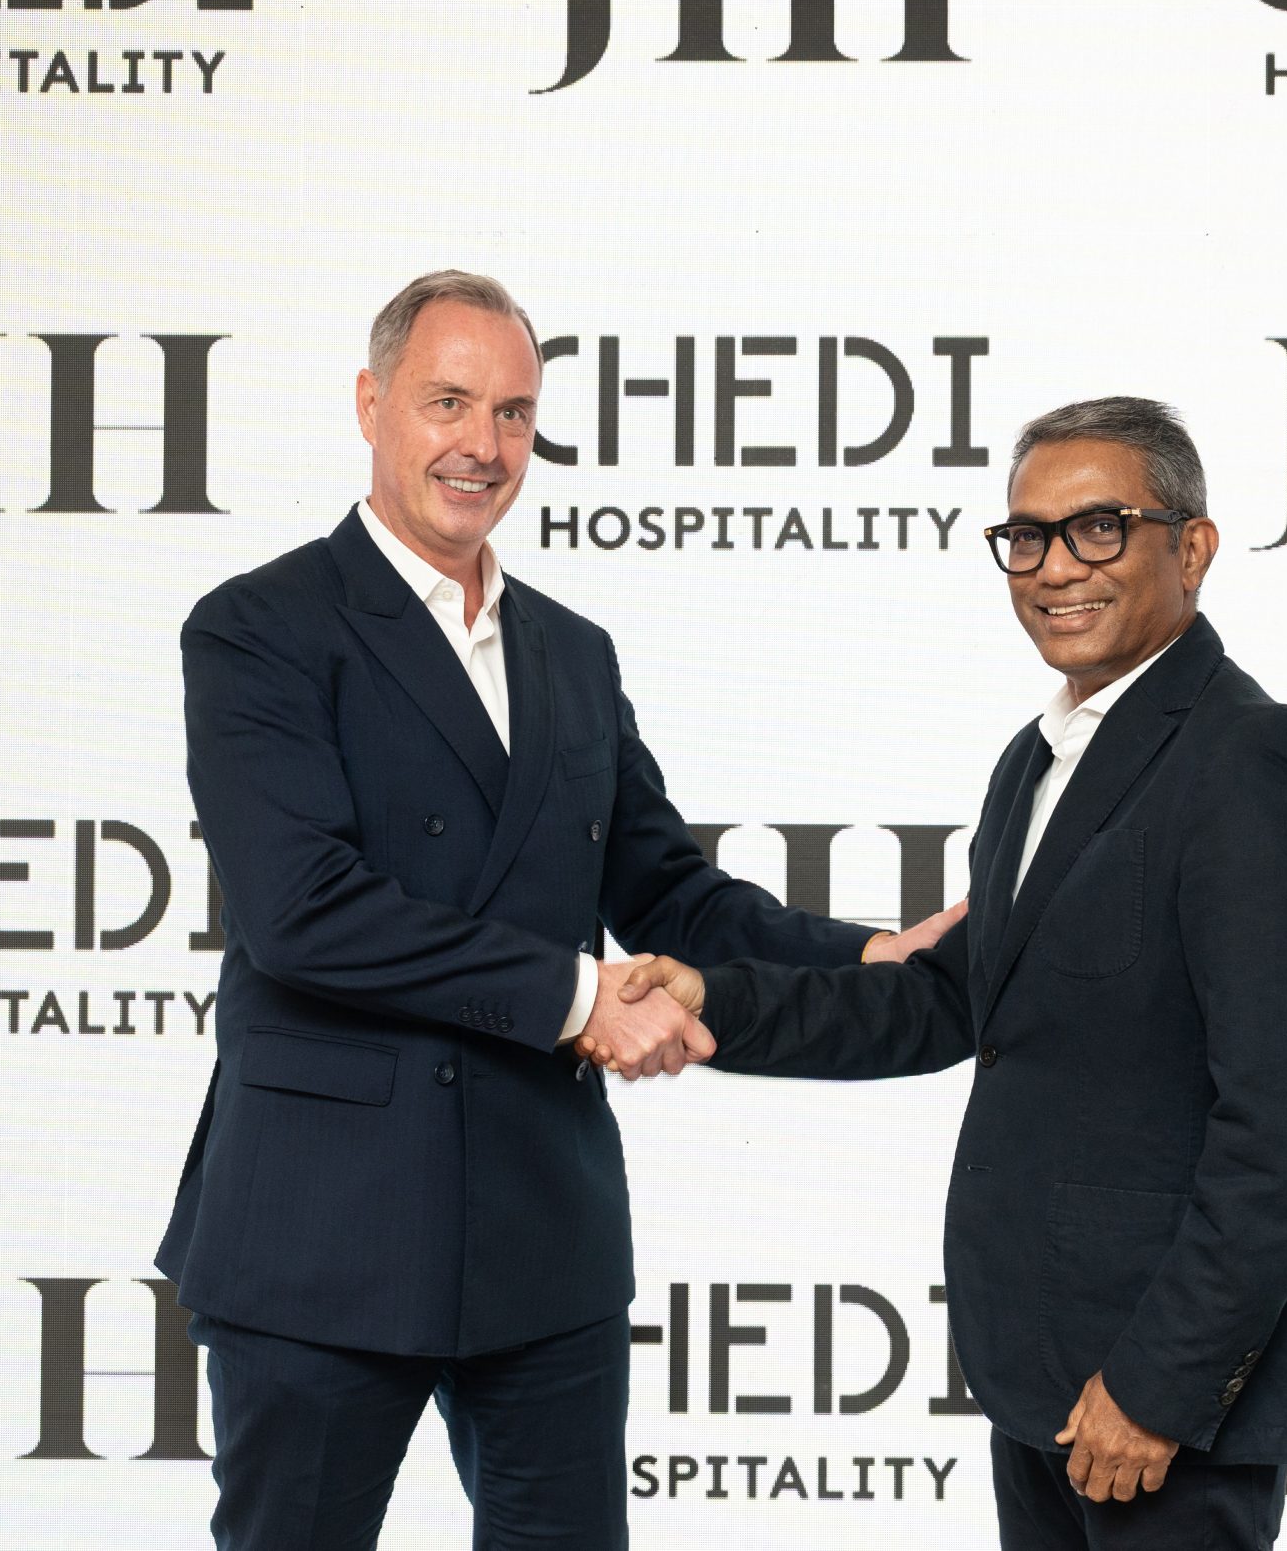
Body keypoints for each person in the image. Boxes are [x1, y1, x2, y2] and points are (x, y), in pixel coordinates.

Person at [156, 269, 961, 1549]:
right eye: (448, 403)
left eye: (514, 413)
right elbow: (302, 912)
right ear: (371, 405)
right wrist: (579, 997)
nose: (482, 444)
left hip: (541, 1233)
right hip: (322, 1233)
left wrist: (868, 951)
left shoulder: (572, 653)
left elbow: (665, 888)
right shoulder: (259, 629)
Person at [594, 397, 1287, 1550]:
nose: (1054, 567)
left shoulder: (1246, 756)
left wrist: (1159, 1387)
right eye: (1027, 537)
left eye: (1098, 528)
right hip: (1037, 1380)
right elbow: (945, 998)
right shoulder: (1034, 763)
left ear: (1192, 548)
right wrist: (718, 1002)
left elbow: (1285, 1126)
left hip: (1155, 1406)